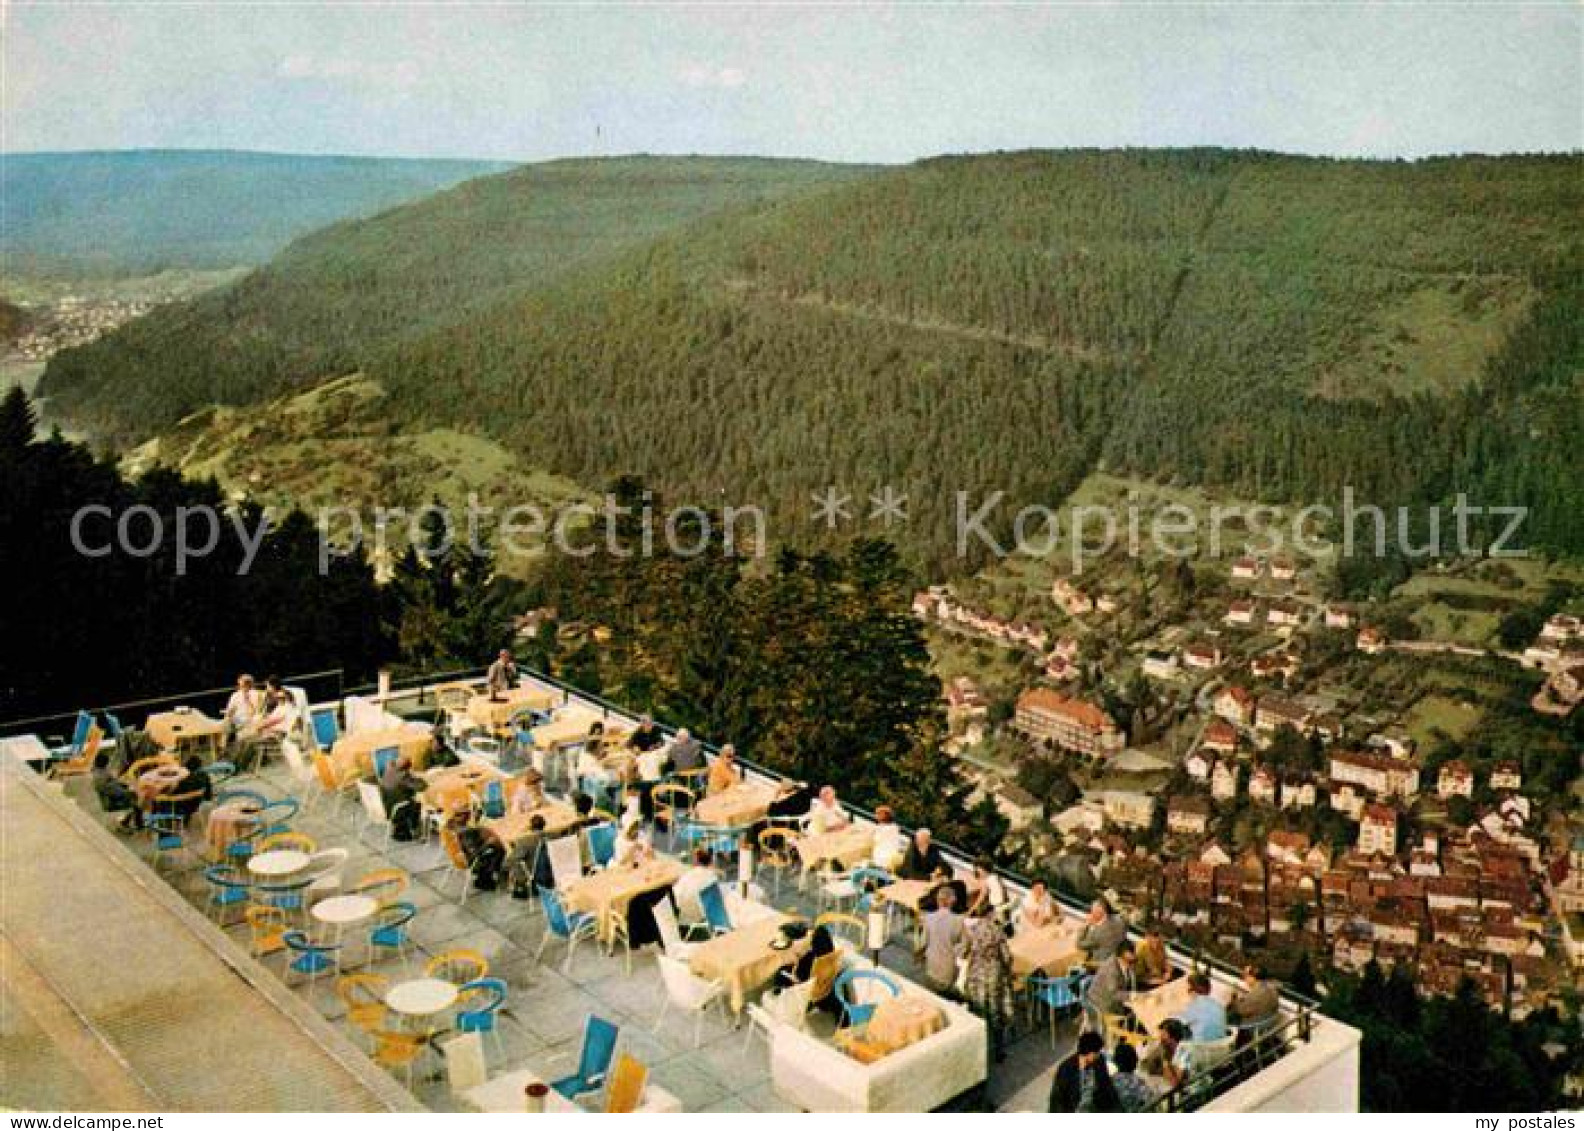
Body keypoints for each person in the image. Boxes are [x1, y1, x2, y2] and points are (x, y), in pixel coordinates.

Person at [958, 909, 1016, 1061]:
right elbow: (1007, 957)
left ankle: (978, 1049)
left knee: (977, 1010)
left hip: (976, 974)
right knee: (996, 1013)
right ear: (990, 914)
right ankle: (999, 1050)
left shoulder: (971, 931)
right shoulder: (997, 931)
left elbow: (963, 952)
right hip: (994, 975)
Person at [1048, 1030, 1120, 1113]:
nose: (1099, 1054)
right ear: (1090, 1053)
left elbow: (1107, 1086)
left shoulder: (1099, 1062)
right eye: (1097, 1052)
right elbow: (1057, 1100)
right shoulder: (1066, 1069)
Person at [920, 885, 965, 993]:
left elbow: (923, 942)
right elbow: (965, 944)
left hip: (931, 964)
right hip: (948, 967)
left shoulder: (929, 917)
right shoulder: (959, 921)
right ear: (952, 901)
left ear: (938, 900)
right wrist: (955, 952)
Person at [1086, 940, 1138, 1022]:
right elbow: (1114, 994)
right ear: (1121, 956)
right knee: (1131, 1016)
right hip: (1101, 1003)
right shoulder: (1111, 969)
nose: (1131, 964)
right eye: (1129, 961)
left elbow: (1127, 983)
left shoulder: (1126, 962)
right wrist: (1132, 996)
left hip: (1114, 996)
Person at [379, 755, 425, 841]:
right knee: (417, 804)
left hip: (382, 807)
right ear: (407, 768)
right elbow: (421, 787)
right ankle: (414, 830)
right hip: (395, 811)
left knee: (407, 798)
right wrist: (418, 779)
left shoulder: (388, 770)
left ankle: (403, 827)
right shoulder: (403, 776)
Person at [1175, 971, 1229, 1041]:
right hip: (1220, 1047)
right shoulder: (1219, 1006)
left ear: (1192, 991)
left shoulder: (1193, 1006)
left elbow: (1178, 1023)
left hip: (1201, 1048)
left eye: (1188, 990)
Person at [1142, 1018, 1193, 1091]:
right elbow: (1149, 1069)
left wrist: (1164, 1061)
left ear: (1172, 1037)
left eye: (1163, 1035)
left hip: (1186, 1093)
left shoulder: (1183, 1053)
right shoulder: (1165, 1050)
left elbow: (1174, 1084)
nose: (1160, 1038)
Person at [504, 813, 548, 898]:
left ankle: (517, 886)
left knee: (515, 859)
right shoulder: (551, 836)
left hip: (532, 873)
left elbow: (509, 862)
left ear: (531, 826)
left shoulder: (526, 840)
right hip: (548, 872)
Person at [671, 848, 718, 926]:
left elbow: (675, 896)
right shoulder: (713, 877)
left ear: (696, 860)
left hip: (688, 919)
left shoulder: (687, 877)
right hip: (707, 915)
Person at [1227, 964, 1280, 1030]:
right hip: (1267, 1020)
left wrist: (1234, 997)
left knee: (1227, 1014)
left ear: (1253, 977)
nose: (1244, 978)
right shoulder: (1271, 987)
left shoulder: (1256, 994)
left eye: (1246, 975)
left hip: (1253, 1025)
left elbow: (1240, 1010)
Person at [1111, 1042, 1158, 1112]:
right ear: (1135, 1061)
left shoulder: (1109, 1081)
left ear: (1115, 1061)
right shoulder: (1137, 1083)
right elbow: (1152, 1103)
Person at [1078, 897, 1127, 963]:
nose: (1091, 913)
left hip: (1100, 965)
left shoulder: (1097, 934)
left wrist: (1086, 926)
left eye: (1092, 910)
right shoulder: (1120, 921)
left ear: (1099, 912)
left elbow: (1079, 944)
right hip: (1117, 959)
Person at [870, 805, 906, 871]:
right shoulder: (883, 827)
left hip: (885, 857)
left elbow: (876, 839)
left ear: (885, 815)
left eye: (878, 814)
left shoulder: (891, 828)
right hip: (879, 855)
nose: (876, 816)